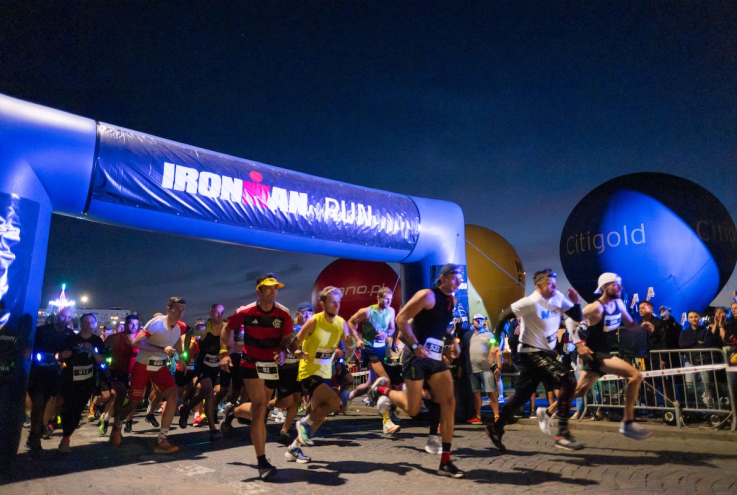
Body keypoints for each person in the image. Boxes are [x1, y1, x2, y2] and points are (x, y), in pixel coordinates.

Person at [370, 263, 465, 478]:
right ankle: (382, 390)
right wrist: (415, 345)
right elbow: (401, 319)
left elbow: (440, 327)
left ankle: (445, 462)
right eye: (454, 276)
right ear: (442, 278)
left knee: (449, 402)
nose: (458, 281)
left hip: (434, 358)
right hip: (415, 358)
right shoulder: (427, 296)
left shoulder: (452, 301)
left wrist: (452, 341)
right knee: (413, 410)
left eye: (459, 277)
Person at [487, 269, 583, 451]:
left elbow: (577, 317)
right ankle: (562, 433)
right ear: (539, 285)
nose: (554, 287)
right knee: (568, 380)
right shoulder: (529, 302)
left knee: (521, 396)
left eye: (555, 283)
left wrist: (576, 302)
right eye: (550, 284)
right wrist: (494, 342)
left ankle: (495, 428)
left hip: (547, 353)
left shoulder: (557, 298)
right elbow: (502, 316)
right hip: (531, 352)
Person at [219, 274, 295, 482]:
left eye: (275, 288)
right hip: (250, 363)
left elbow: (286, 340)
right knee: (260, 408)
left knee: (259, 410)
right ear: (258, 292)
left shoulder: (283, 314)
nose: (273, 291)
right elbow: (227, 328)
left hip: (271, 366)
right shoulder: (245, 311)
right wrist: (224, 353)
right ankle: (262, 462)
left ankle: (232, 412)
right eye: (268, 288)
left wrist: (283, 352)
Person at [564, 273, 655, 440]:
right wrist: (579, 345)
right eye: (615, 284)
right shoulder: (596, 307)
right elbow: (570, 321)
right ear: (604, 287)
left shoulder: (619, 303)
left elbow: (630, 325)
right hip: (596, 354)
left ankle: (547, 412)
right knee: (635, 375)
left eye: (620, 284)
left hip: (602, 354)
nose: (620, 287)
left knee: (579, 391)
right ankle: (627, 422)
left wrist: (641, 326)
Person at [286, 286, 359, 464]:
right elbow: (293, 345)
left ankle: (294, 448)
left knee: (318, 416)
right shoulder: (314, 321)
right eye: (333, 302)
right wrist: (296, 352)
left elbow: (349, 353)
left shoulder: (341, 323)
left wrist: (349, 345)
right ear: (323, 304)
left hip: (325, 372)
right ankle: (303, 423)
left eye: (338, 302)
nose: (337, 305)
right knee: (334, 402)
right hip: (309, 371)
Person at [110, 297, 188, 454]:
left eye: (182, 309)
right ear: (168, 309)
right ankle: (117, 425)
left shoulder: (181, 326)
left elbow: (177, 341)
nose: (180, 313)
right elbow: (137, 343)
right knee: (134, 402)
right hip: (143, 365)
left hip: (160, 366)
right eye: (176, 309)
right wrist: (162, 350)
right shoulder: (156, 323)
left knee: (173, 395)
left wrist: (181, 357)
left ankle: (162, 440)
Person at [347, 287, 400, 433]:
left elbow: (392, 328)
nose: (388, 302)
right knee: (385, 380)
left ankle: (347, 397)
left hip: (381, 350)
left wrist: (386, 334)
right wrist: (357, 339)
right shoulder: (367, 312)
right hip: (368, 349)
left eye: (390, 299)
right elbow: (350, 322)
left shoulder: (391, 311)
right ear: (378, 298)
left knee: (371, 383)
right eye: (386, 299)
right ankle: (386, 422)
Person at [26, 307, 75, 453]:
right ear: (58, 315)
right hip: (37, 372)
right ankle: (35, 438)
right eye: (63, 316)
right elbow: (31, 348)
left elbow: (72, 353)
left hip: (54, 374)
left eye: (68, 317)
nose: (65, 320)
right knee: (38, 403)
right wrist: (56, 356)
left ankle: (37, 432)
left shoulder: (69, 334)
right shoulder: (42, 331)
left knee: (47, 403)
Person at [57, 313, 105, 453]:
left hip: (87, 381)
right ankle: (65, 436)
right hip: (69, 379)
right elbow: (58, 356)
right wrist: (61, 356)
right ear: (81, 323)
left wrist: (92, 351)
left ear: (95, 324)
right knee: (68, 408)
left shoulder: (97, 341)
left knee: (77, 410)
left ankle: (66, 437)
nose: (88, 325)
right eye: (85, 322)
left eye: (91, 322)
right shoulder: (71, 339)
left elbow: (103, 360)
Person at [179, 304, 226, 441]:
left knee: (204, 393)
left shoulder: (226, 327)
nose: (219, 316)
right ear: (210, 313)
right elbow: (187, 335)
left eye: (221, 313)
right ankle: (212, 429)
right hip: (202, 365)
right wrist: (184, 355)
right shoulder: (203, 328)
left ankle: (186, 409)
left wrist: (224, 354)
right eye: (216, 313)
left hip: (215, 366)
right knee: (209, 392)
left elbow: (231, 344)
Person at [98, 314, 138, 435]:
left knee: (132, 400)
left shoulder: (140, 338)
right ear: (125, 324)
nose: (134, 326)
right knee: (120, 394)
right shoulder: (114, 338)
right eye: (131, 323)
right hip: (115, 371)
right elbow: (101, 351)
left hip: (131, 373)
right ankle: (116, 427)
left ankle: (106, 417)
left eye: (136, 324)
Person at [466, 314, 502, 423]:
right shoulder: (469, 335)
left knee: (491, 392)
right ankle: (478, 416)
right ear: (472, 321)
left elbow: (497, 351)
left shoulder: (489, 335)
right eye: (476, 320)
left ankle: (496, 416)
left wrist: (498, 367)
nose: (478, 321)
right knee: (476, 393)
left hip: (487, 368)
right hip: (473, 369)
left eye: (480, 320)